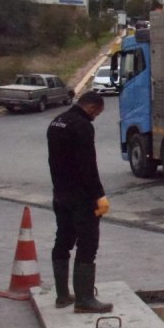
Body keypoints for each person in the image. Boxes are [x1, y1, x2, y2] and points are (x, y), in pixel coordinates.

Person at [47, 92, 113, 313]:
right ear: (93, 107)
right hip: (81, 198)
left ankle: (63, 295)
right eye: (97, 112)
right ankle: (84, 300)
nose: (96, 116)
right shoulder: (82, 126)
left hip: (60, 194)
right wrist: (99, 194)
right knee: (87, 244)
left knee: (63, 240)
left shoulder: (57, 122)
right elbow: (88, 165)